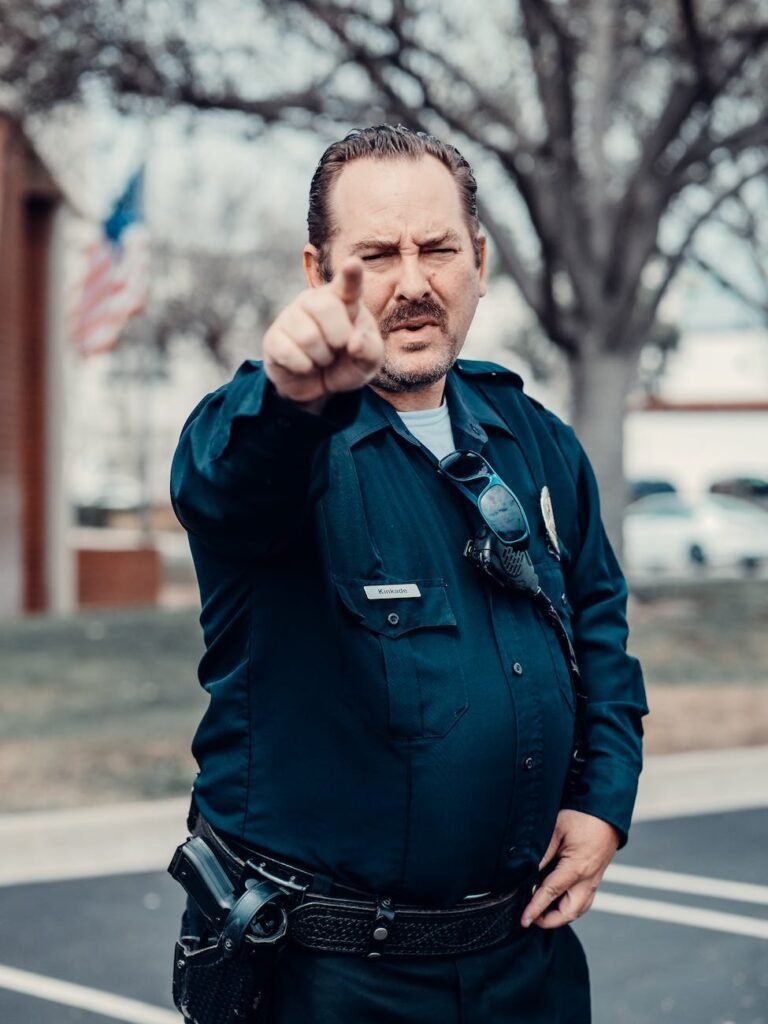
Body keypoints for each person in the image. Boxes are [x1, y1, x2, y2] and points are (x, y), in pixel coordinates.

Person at [170, 124, 647, 1023]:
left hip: (525, 961)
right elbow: (231, 488)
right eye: (376, 255)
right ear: (318, 271)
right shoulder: (269, 436)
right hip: (327, 976)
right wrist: (291, 395)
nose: (413, 282)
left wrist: (603, 799)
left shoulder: (535, 438)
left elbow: (599, 624)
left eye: (436, 249)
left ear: (479, 258)